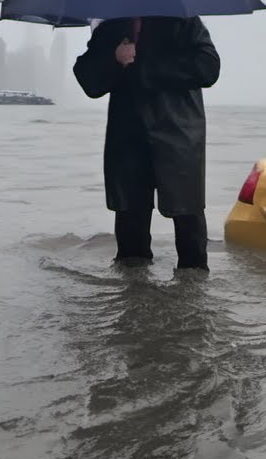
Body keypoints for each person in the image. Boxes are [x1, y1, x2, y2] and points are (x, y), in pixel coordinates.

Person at [73, 16, 220, 271]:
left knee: (188, 217)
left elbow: (208, 67)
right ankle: (133, 297)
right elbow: (89, 80)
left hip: (179, 134)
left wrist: (147, 65)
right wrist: (115, 58)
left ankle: (193, 294)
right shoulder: (111, 27)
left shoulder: (184, 22)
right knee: (130, 220)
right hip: (128, 136)